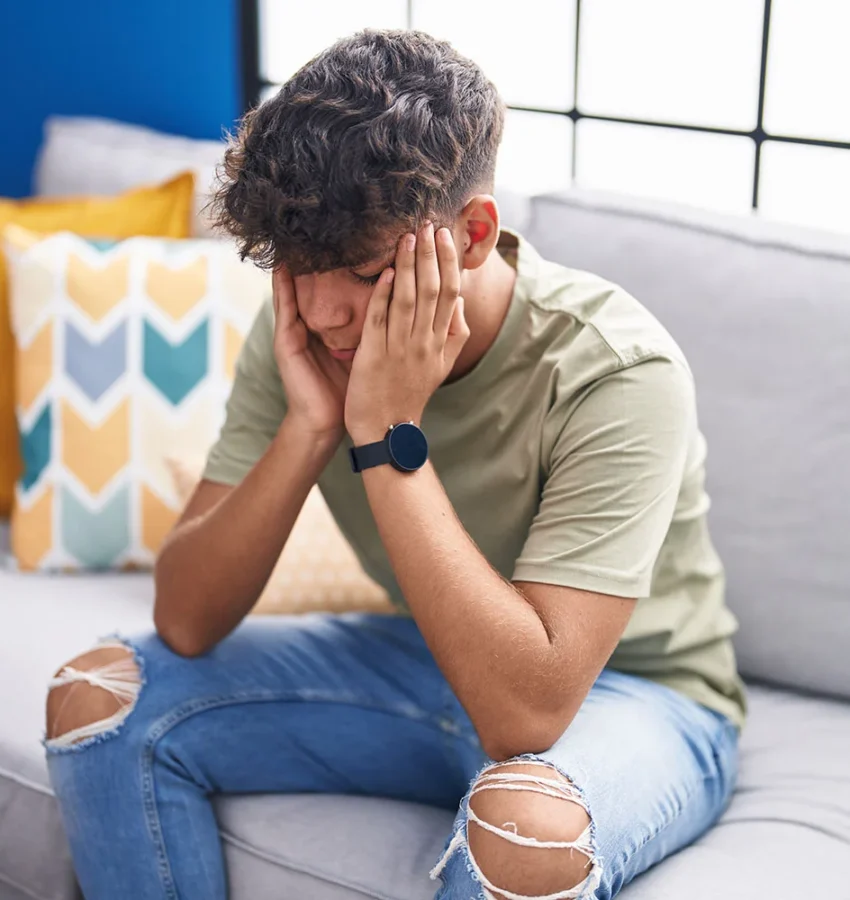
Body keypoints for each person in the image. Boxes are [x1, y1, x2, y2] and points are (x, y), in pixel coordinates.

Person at [44, 29, 746, 900]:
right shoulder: (308, 329)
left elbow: (525, 715)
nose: (327, 310)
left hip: (635, 695)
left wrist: (385, 432)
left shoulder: (615, 370)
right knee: (98, 698)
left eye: (365, 271)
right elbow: (186, 621)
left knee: (521, 831)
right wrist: (310, 428)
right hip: (417, 655)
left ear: (475, 234)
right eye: (299, 268)